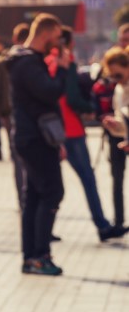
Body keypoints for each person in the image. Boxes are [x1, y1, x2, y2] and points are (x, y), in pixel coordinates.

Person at [6, 15, 70, 275]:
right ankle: (40, 254)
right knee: (52, 192)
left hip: (33, 136)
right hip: (35, 138)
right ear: (46, 34)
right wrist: (64, 69)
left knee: (33, 196)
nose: (57, 43)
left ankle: (31, 256)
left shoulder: (24, 61)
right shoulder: (28, 64)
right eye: (55, 38)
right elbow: (50, 92)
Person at [52, 31, 120, 242]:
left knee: (50, 184)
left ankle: (43, 230)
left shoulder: (46, 61)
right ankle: (102, 225)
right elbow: (72, 97)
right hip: (71, 129)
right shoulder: (67, 62)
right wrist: (89, 108)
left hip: (53, 129)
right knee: (88, 179)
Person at [0, 24, 30, 205]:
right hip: (20, 115)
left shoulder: (3, 60)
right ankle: (26, 198)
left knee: (17, 158)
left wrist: (2, 113)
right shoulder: (32, 59)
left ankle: (23, 199)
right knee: (26, 158)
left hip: (10, 115)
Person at [94, 46, 129, 231]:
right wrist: (112, 123)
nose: (116, 79)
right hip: (117, 138)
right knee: (117, 179)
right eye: (113, 75)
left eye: (118, 74)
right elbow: (120, 115)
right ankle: (119, 221)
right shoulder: (118, 88)